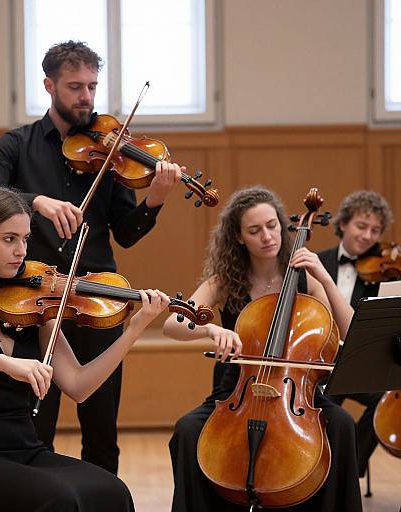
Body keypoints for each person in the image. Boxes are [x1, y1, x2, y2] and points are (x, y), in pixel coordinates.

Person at [0, 40, 182, 474]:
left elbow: (126, 233)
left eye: (92, 86)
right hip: (31, 296)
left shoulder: (114, 151)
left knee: (102, 430)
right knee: (35, 425)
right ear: (49, 86)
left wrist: (153, 202)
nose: (86, 97)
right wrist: (35, 202)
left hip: (97, 294)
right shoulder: (15, 145)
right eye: (74, 86)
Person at [0, 186, 171, 512]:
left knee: (111, 492)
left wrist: (134, 330)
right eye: (9, 239)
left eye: (26, 239)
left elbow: (78, 385)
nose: (21, 250)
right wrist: (4, 363)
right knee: (57, 500)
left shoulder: (35, 308)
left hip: (24, 450)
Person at [163, 186, 363, 512]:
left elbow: (350, 329)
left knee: (341, 424)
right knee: (187, 431)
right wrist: (212, 329)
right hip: (236, 390)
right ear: (239, 237)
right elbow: (174, 324)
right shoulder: (226, 280)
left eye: (272, 226)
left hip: (298, 391)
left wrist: (325, 279)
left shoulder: (304, 277)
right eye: (255, 231)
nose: (267, 236)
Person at [318, 190, 393, 478]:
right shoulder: (317, 262)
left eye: (375, 230)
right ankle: (316, 471)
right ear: (344, 224)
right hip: (324, 360)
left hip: (362, 362)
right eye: (361, 226)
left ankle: (347, 471)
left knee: (383, 404)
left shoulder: (387, 270)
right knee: (320, 407)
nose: (367, 236)